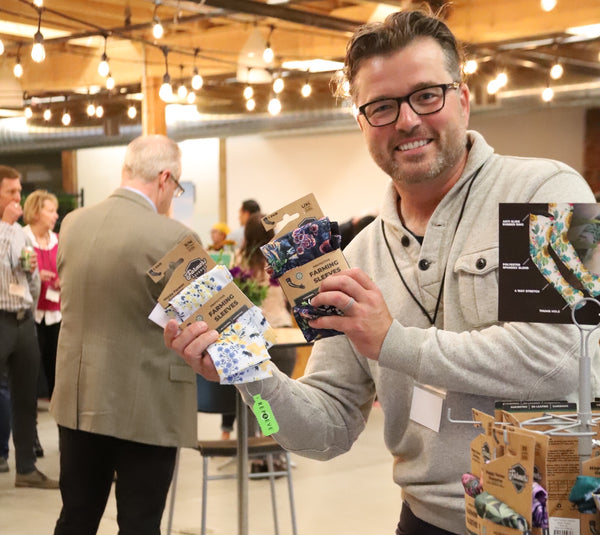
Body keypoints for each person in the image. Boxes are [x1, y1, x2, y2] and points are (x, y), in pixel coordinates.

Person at [164, 9, 599, 535]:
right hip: (425, 520)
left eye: (427, 95)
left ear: (463, 97)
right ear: (362, 123)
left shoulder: (544, 192)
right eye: (382, 107)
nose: (407, 120)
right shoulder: (356, 256)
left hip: (551, 519)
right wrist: (250, 379)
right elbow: (324, 434)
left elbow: (554, 359)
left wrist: (391, 341)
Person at [51, 135, 199, 535]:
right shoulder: (175, 239)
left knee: (76, 518)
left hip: (79, 399)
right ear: (165, 178)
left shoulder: (72, 224)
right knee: (139, 524)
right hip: (145, 405)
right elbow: (212, 320)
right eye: (177, 187)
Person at [0, 165, 58, 488]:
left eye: (19, 192)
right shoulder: (11, 227)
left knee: (26, 396)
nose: (18, 198)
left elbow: (26, 272)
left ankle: (26, 468)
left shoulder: (20, 233)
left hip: (24, 321)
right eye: (11, 192)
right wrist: (7, 225)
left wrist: (33, 279)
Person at [220, 213, 296, 444]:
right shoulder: (280, 257)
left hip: (253, 338)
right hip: (283, 336)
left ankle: (254, 452)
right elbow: (291, 295)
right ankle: (274, 448)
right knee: (280, 398)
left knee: (256, 399)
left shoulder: (238, 262)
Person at [23, 190, 61, 400]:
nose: (56, 215)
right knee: (30, 363)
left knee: (55, 362)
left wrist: (61, 279)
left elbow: (65, 267)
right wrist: (36, 275)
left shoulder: (57, 239)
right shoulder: (22, 237)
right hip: (31, 312)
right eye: (51, 211)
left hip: (56, 311)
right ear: (37, 212)